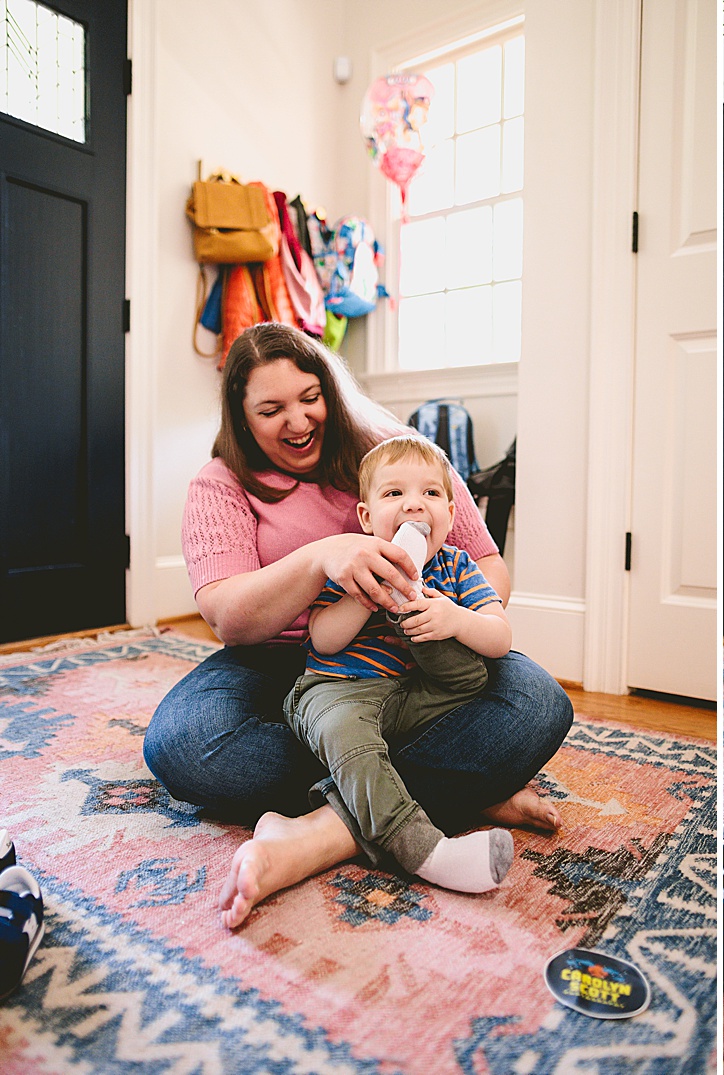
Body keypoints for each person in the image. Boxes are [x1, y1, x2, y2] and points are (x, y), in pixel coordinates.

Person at [143, 323, 572, 929]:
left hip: (413, 656)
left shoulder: (400, 455)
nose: (297, 422)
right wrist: (323, 557)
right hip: (287, 657)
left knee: (538, 703)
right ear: (241, 418)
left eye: (309, 398)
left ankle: (320, 833)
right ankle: (463, 786)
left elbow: (489, 569)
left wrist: (444, 613)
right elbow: (229, 619)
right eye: (271, 410)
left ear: (332, 392)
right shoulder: (220, 484)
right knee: (185, 745)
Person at [270, 434, 517, 921]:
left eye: (430, 494)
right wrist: (367, 595)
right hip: (341, 693)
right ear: (366, 517)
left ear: (450, 510)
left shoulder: (457, 566)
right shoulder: (354, 563)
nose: (413, 506)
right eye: (394, 495)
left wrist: (454, 619)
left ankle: (329, 811)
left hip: (413, 696)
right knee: (347, 734)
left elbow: (499, 637)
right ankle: (425, 850)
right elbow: (323, 640)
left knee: (478, 678)